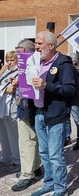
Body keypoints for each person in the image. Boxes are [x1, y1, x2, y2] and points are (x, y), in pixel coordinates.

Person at [31, 31, 76, 196]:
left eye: (39, 44)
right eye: (35, 43)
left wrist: (46, 86)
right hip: (39, 112)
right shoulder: (36, 63)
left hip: (56, 115)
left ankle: (60, 187)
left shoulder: (64, 64)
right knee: (44, 152)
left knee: (56, 155)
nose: (36, 47)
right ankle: (49, 183)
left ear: (51, 46)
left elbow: (70, 89)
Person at [11, 40, 42, 192]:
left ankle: (27, 174)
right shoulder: (36, 63)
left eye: (17, 49)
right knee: (32, 138)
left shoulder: (27, 63)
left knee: (26, 140)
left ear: (22, 49)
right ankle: (35, 167)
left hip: (26, 106)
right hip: (31, 105)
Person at [0, 51, 21, 172]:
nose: (9, 62)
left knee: (13, 134)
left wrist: (6, 89)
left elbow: (11, 89)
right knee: (3, 134)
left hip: (11, 106)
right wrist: (2, 69)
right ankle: (6, 156)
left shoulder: (19, 72)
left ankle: (17, 159)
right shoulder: (6, 71)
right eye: (7, 60)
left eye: (11, 60)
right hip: (2, 106)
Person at [64, 53, 79, 150]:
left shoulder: (78, 69)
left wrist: (74, 66)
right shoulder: (67, 69)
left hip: (75, 97)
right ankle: (67, 136)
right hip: (67, 96)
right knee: (66, 118)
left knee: (77, 119)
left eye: (73, 60)